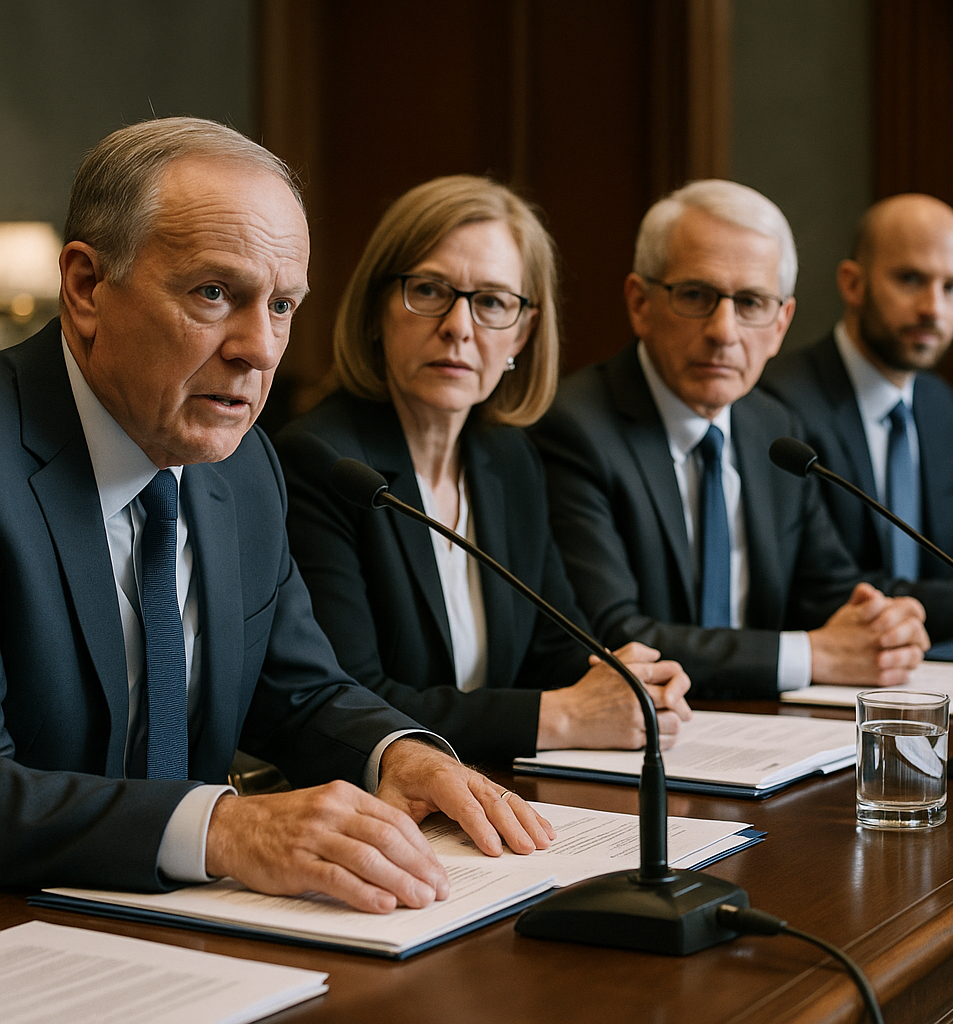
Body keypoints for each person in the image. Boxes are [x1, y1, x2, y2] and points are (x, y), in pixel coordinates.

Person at [0, 118, 555, 910]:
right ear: (88, 287)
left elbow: (298, 690)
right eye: (214, 293)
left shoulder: (246, 467)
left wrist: (398, 753)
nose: (260, 348)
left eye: (284, 304)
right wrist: (225, 830)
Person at [274, 175, 691, 764]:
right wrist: (565, 716)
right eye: (429, 290)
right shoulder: (323, 463)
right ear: (376, 308)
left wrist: (629, 682)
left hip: (500, 788)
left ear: (521, 332)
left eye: (492, 302)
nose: (459, 327)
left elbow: (555, 644)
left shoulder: (508, 460)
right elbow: (352, 701)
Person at [531, 179, 934, 700]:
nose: (724, 330)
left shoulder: (775, 429)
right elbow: (612, 636)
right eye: (696, 296)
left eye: (751, 302)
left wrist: (883, 626)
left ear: (781, 323)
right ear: (639, 303)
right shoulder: (575, 428)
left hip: (767, 740)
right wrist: (813, 655)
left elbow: (829, 591)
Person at [761, 193, 953, 631]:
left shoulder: (938, 403)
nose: (933, 308)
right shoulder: (781, 407)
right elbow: (816, 587)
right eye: (910, 279)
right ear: (852, 283)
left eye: (952, 288)